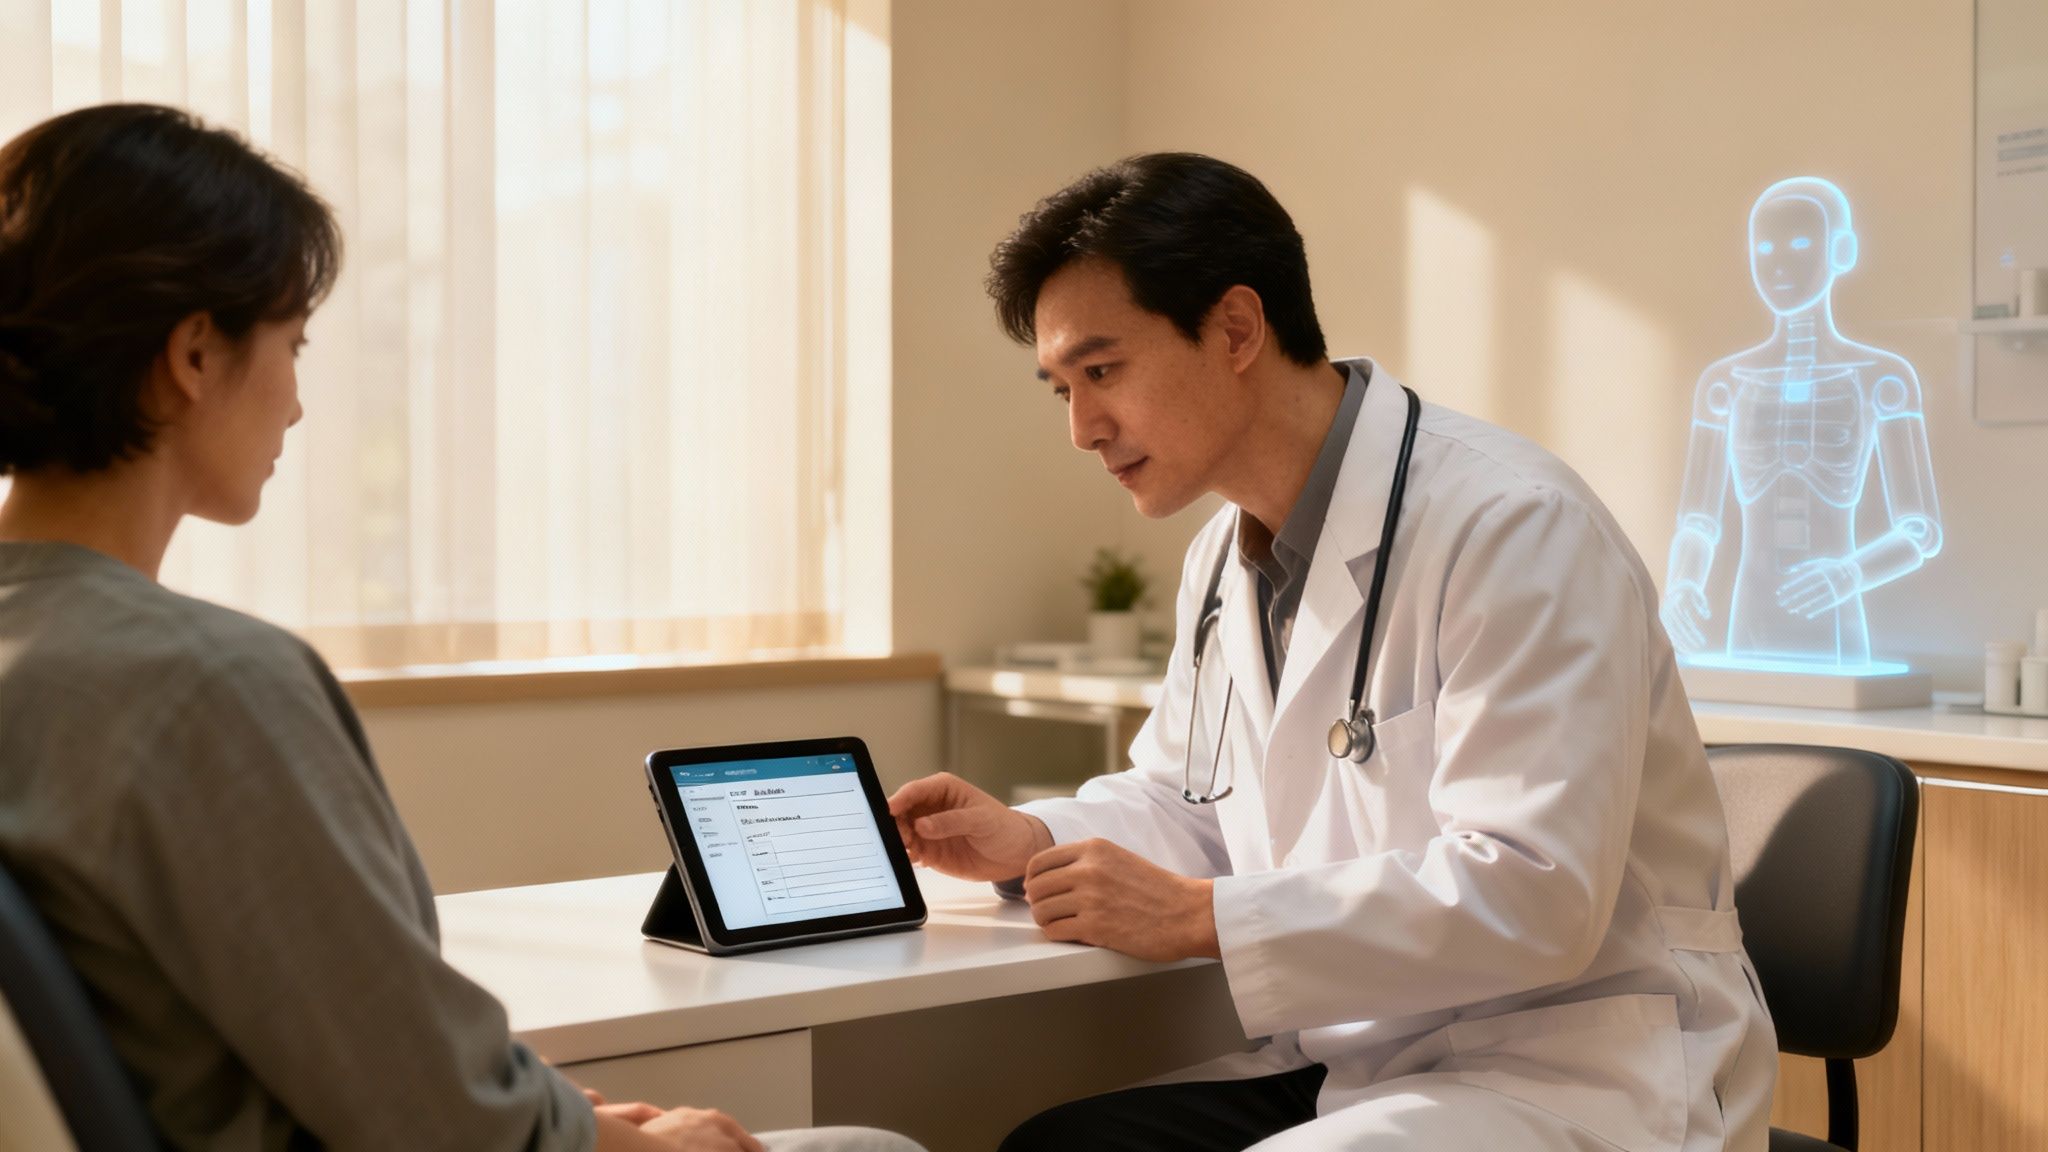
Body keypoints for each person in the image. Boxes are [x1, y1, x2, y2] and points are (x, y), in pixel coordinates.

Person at [0, 103, 921, 1152]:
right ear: (196, 355)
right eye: (291, 343)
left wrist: (558, 1118)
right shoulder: (199, 684)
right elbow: (442, 1123)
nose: (297, 405)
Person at [888, 153, 1777, 1150]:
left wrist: (1203, 920)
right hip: (1364, 1059)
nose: (1081, 428)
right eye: (1060, 387)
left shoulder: (1510, 526)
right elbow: (1191, 802)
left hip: (1582, 1064)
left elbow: (1536, 894)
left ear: (1233, 329)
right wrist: (1033, 839)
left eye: (1101, 372)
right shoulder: (1223, 560)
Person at [1662, 176, 1942, 671]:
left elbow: (1920, 529)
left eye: (1799, 244)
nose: (1780, 265)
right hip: (1749, 621)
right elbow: (1699, 520)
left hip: (1836, 624)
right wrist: (1683, 583)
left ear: (1843, 250)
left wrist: (1849, 574)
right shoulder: (1724, 383)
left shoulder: (1883, 379)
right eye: (1764, 247)